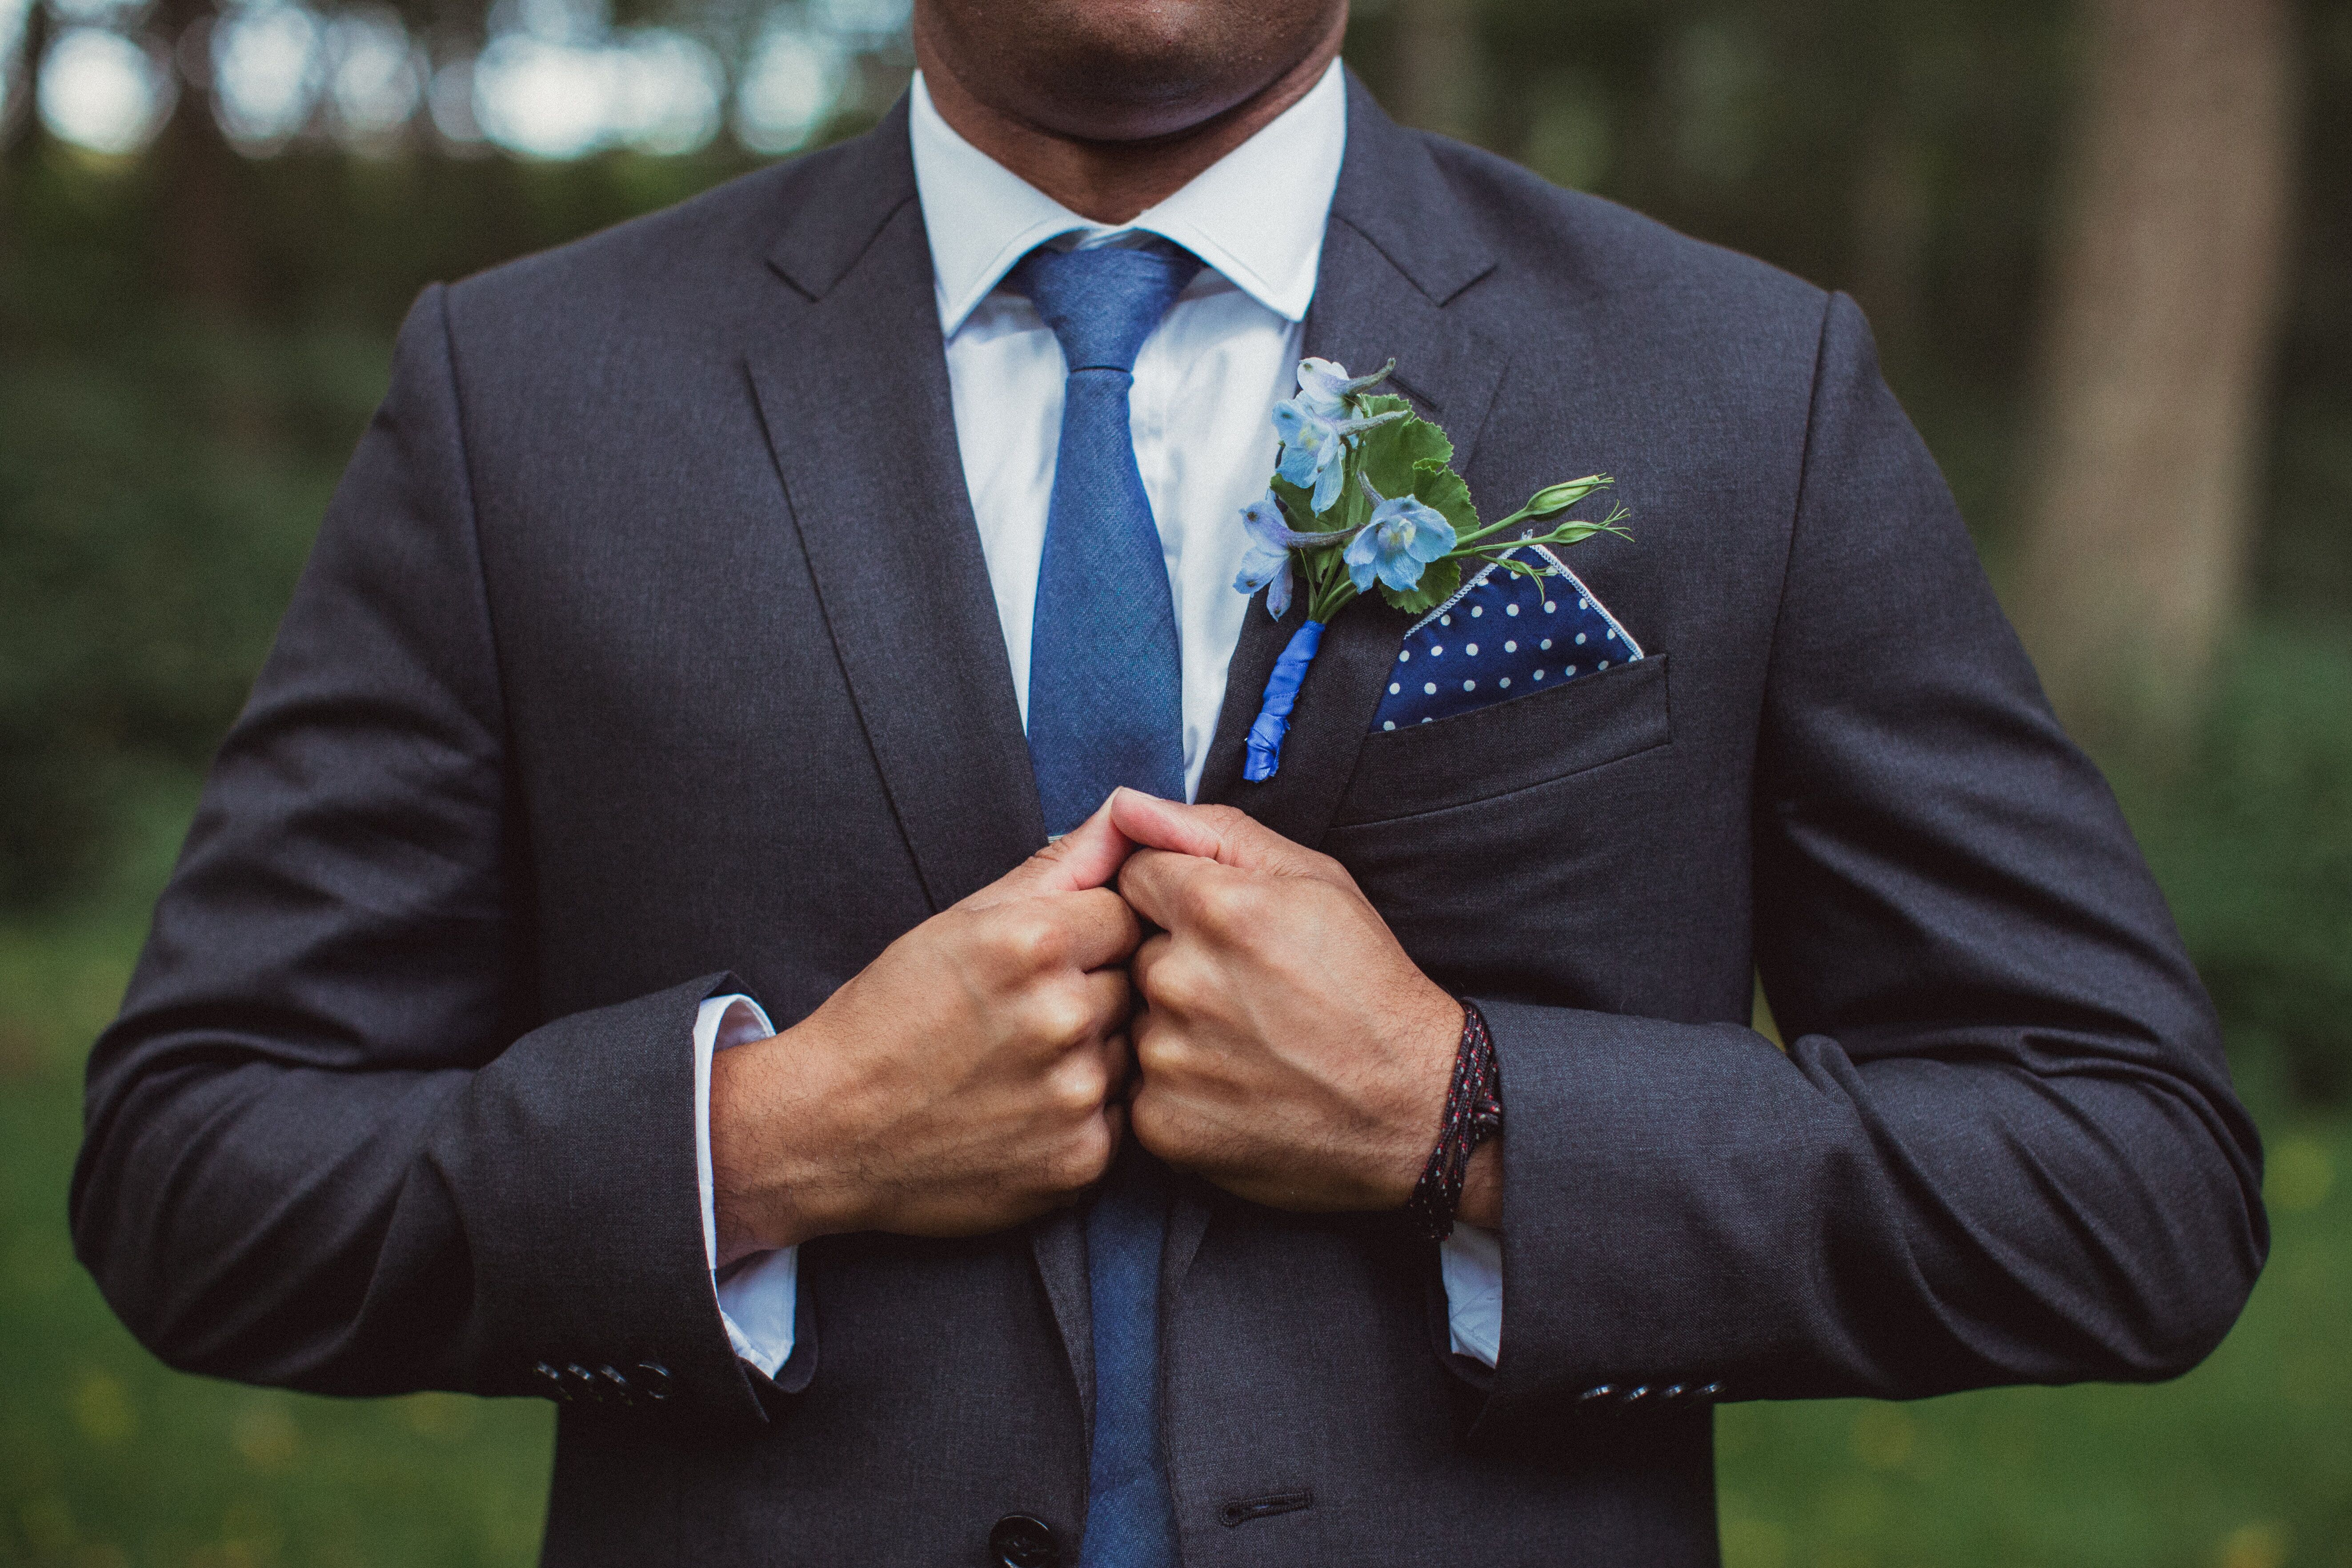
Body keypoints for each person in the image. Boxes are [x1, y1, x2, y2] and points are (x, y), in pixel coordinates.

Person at [71, 0, 2267, 1563]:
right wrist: (771, 1142)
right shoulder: (527, 394)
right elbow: (200, 1182)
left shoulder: (1737, 384)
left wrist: (1467, 1119)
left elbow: (2127, 1185)